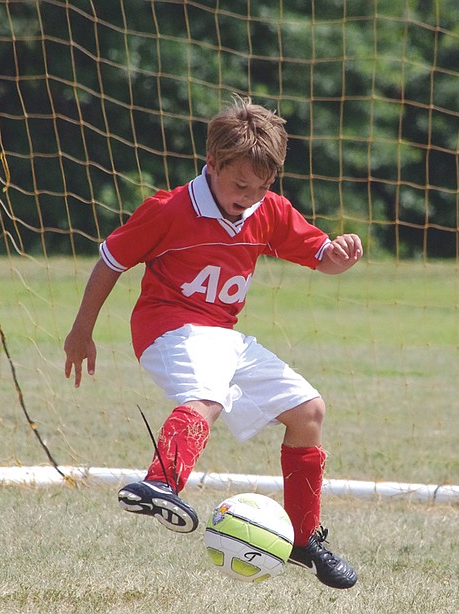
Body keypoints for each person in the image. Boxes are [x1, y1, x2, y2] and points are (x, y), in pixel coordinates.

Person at [64, 96, 362, 589]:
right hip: (167, 329)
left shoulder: (269, 211)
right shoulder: (170, 209)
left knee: (309, 411)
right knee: (208, 398)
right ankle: (158, 484)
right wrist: (82, 330)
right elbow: (111, 261)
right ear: (212, 164)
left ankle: (304, 540)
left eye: (261, 186)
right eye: (240, 183)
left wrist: (341, 255)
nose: (249, 195)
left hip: (223, 337)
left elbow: (322, 255)